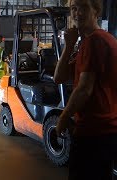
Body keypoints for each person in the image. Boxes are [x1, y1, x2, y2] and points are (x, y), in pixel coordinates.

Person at [54, 0, 117, 179]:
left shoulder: (95, 41)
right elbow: (59, 77)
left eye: (83, 7)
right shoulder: (94, 42)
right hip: (104, 133)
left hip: (94, 132)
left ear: (96, 11)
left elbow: (84, 89)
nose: (77, 13)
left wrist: (64, 117)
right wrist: (68, 45)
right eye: (73, 8)